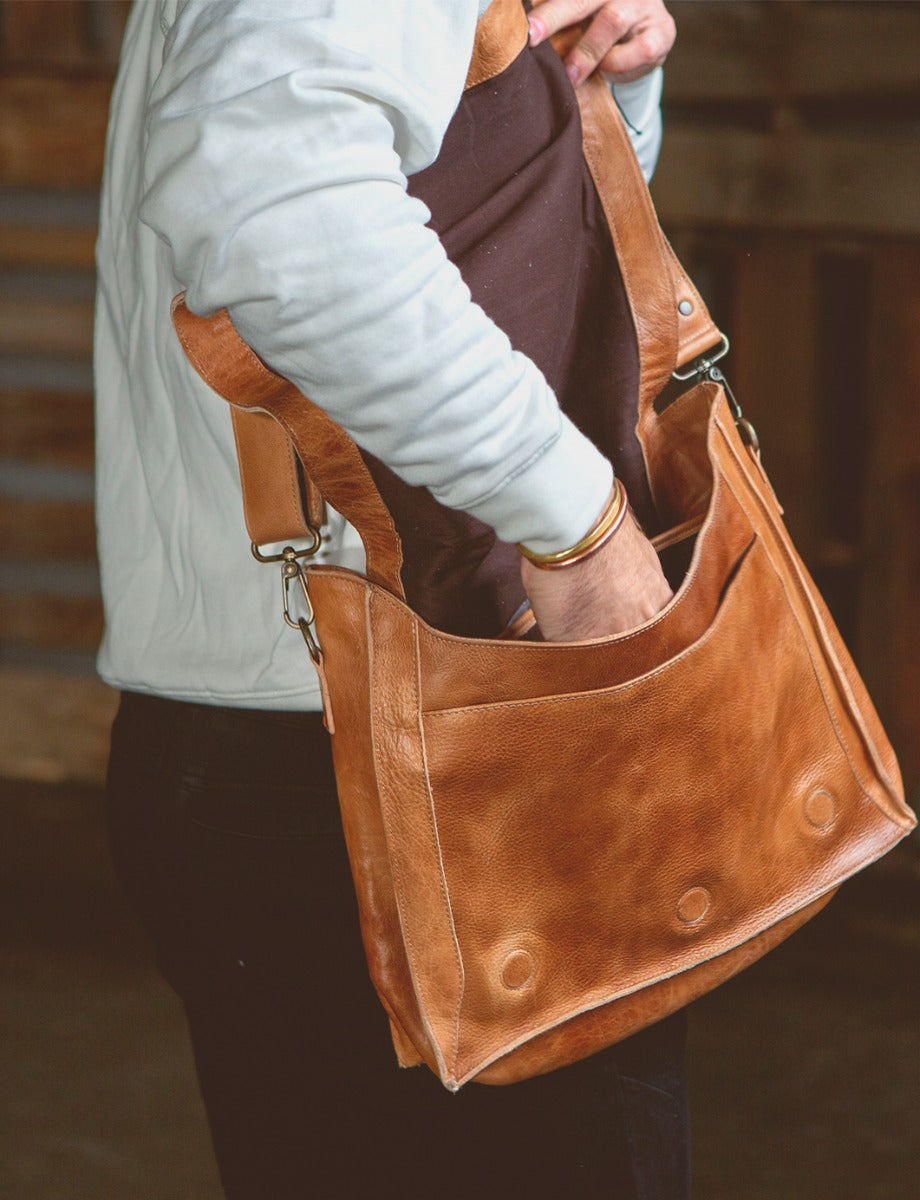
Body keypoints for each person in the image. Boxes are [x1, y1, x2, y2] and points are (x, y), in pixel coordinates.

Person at [95, 1, 689, 1196]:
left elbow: (454, 238)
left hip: (340, 724)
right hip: (379, 748)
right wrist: (576, 525)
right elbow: (276, 211)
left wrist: (593, 85)